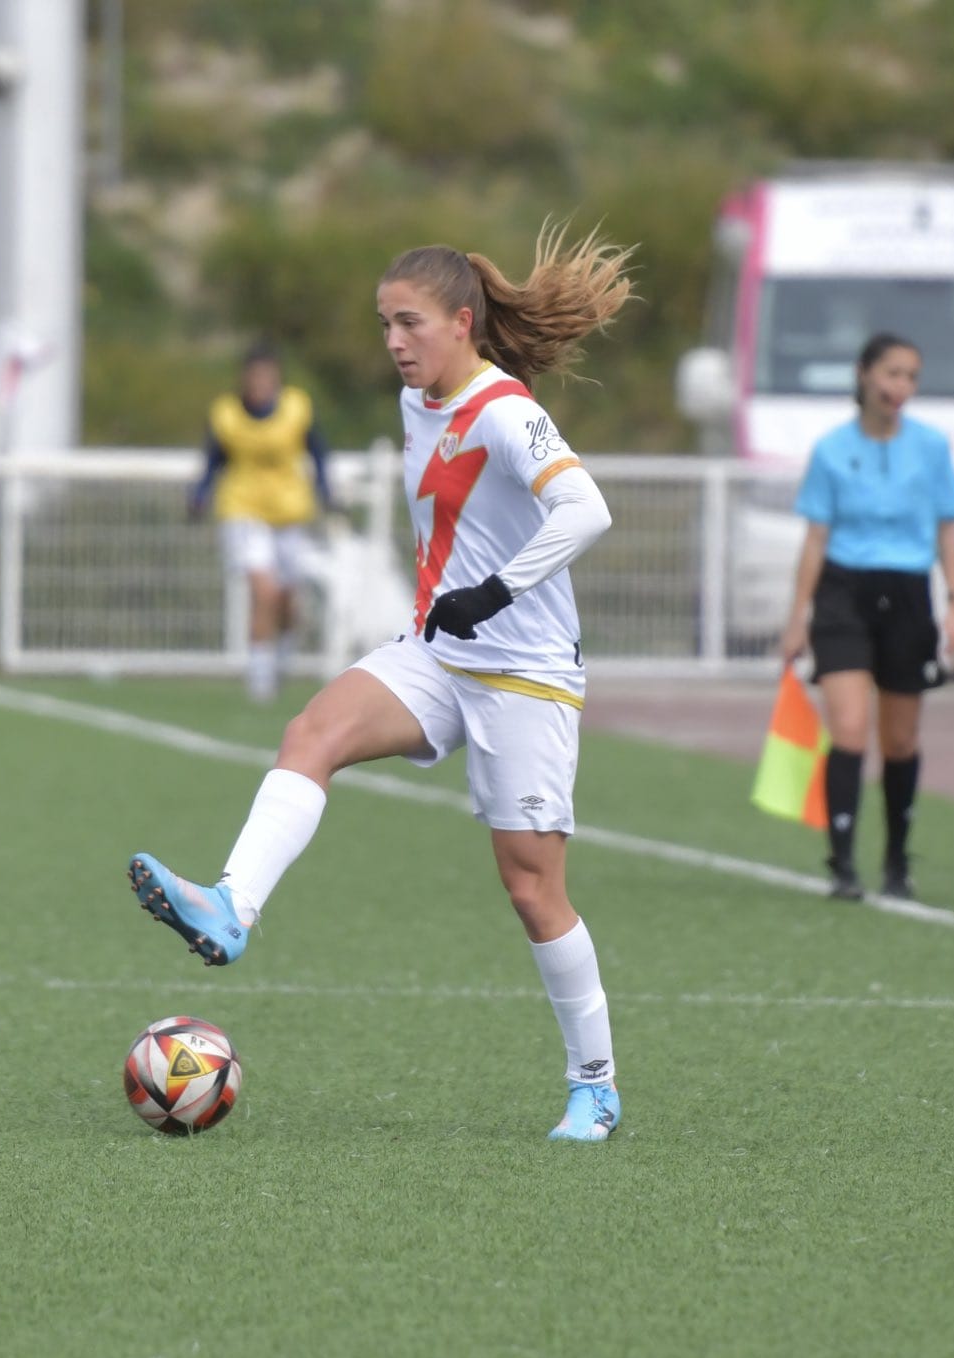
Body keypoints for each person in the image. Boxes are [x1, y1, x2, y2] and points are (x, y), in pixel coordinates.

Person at [129, 228, 631, 1143]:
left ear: (462, 323)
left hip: (525, 670)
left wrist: (499, 588)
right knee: (310, 734)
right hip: (438, 652)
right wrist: (455, 603)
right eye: (384, 324)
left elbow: (586, 507)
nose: (395, 341)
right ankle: (231, 908)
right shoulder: (417, 401)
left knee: (531, 889)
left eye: (410, 323)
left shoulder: (505, 411)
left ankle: (593, 1082)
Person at [778, 333, 954, 902]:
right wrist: (798, 616)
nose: (900, 388)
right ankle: (842, 863)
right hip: (843, 594)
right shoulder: (832, 449)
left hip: (909, 595)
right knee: (850, 728)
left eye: (910, 377)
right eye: (891, 374)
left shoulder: (932, 448)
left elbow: (947, 526)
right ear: (864, 375)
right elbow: (815, 537)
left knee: (901, 740)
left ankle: (896, 860)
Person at [191, 341, 333, 702]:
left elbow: (317, 452)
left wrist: (326, 490)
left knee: (287, 602)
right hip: (243, 510)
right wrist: (199, 493)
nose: (260, 382)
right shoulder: (226, 414)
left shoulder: (296, 408)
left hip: (288, 513)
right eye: (254, 375)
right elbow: (215, 460)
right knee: (264, 591)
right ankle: (260, 683)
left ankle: (279, 660)